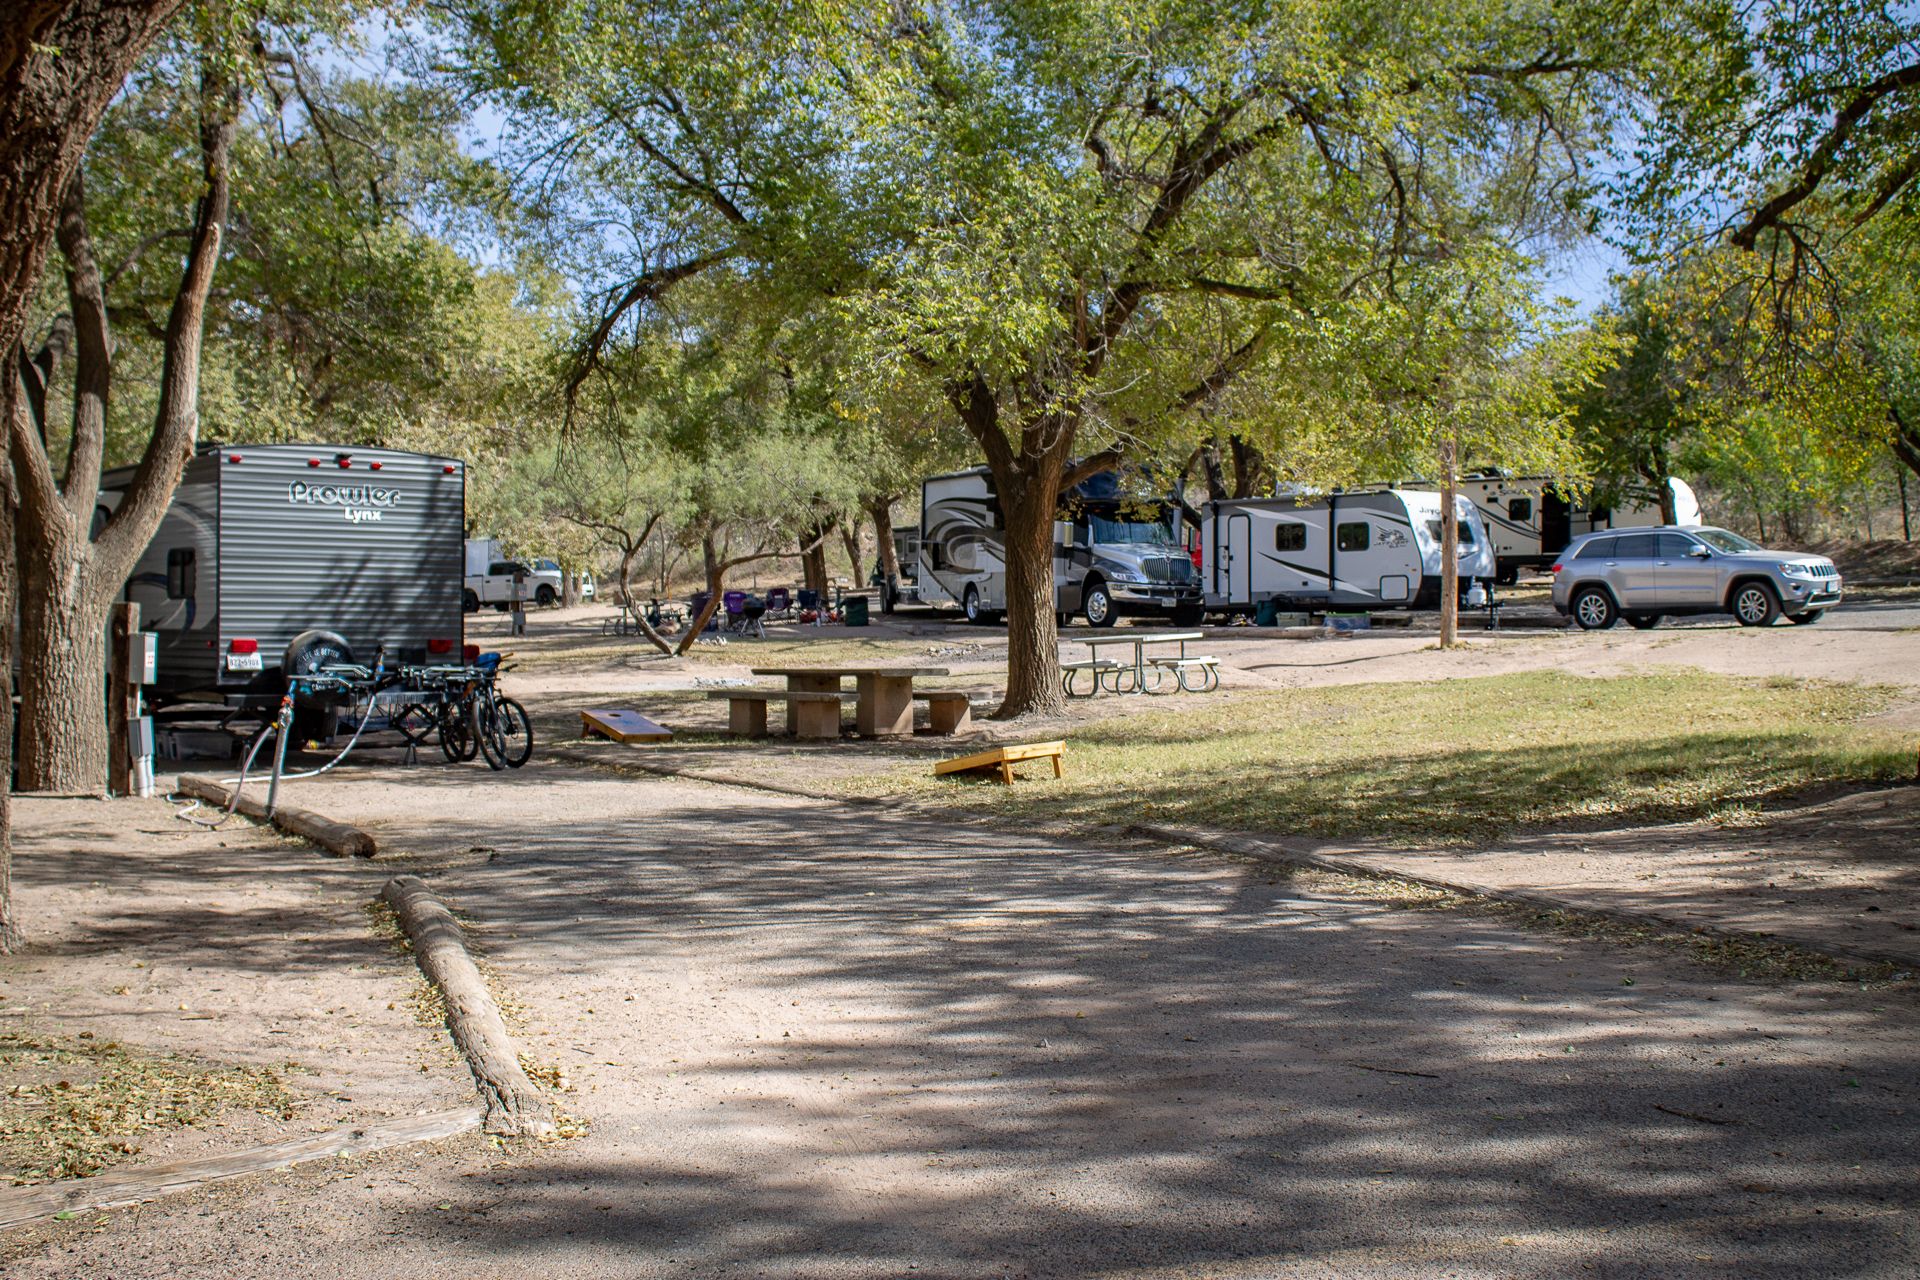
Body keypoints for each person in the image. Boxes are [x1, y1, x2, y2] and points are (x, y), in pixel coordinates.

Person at [509, 565, 529, 637]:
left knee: (519, 611)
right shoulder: (514, 584)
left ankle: (520, 630)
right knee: (517, 611)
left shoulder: (520, 585)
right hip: (516, 601)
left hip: (519, 602)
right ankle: (517, 631)